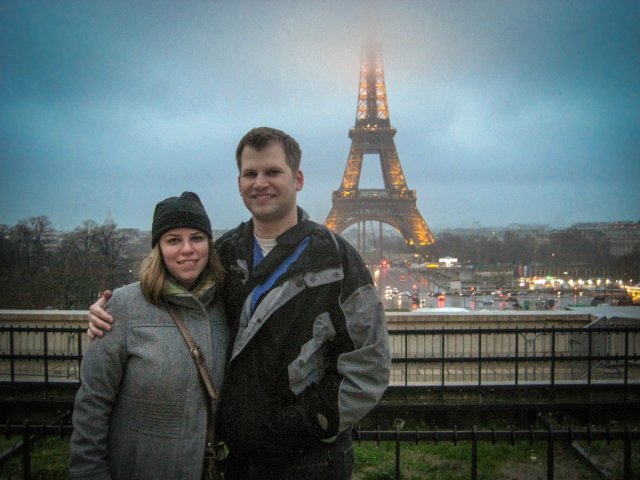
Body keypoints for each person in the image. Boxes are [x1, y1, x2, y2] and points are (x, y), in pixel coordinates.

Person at [88, 127, 391, 479]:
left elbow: (369, 364)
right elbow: (172, 297)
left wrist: (304, 423)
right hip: (237, 458)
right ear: (239, 183)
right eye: (251, 173)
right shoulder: (222, 254)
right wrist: (110, 309)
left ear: (299, 179)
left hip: (310, 459)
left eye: (272, 172)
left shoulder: (340, 259)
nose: (260, 182)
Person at [71, 192, 228, 480]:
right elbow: (92, 405)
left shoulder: (227, 305)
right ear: (158, 248)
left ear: (210, 244)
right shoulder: (123, 305)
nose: (187, 249)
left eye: (197, 237)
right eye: (173, 240)